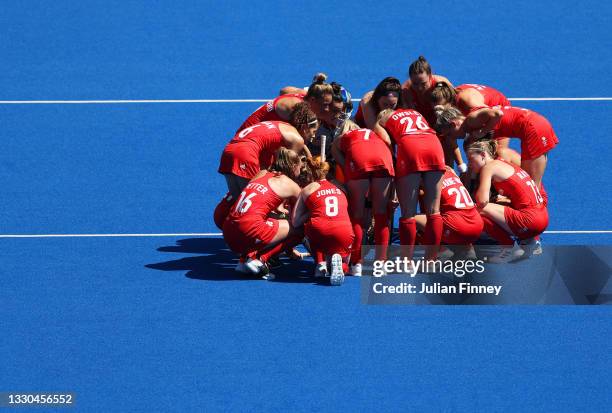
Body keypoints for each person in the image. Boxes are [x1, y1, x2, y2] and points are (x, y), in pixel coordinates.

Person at [434, 105, 558, 204]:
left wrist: (483, 131)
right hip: (533, 125)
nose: (452, 139)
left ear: (453, 124)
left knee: (532, 187)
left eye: (449, 134)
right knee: (528, 182)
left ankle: (534, 228)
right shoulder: (471, 129)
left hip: (534, 129)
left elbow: (498, 114)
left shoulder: (471, 120)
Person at [375, 108, 446, 263]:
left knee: (408, 212)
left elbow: (386, 141)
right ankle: (431, 260)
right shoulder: (415, 112)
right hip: (433, 144)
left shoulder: (382, 120)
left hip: (410, 146)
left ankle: (406, 261)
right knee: (434, 210)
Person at [222, 148, 304, 278]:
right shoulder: (291, 185)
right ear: (294, 166)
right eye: (300, 167)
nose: (301, 171)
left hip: (228, 232)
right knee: (300, 229)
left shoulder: (261, 173)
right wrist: (290, 249)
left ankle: (244, 261)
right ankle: (258, 259)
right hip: (247, 230)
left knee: (265, 220)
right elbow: (298, 218)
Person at [466, 140, 548, 262]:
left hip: (529, 220)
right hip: (542, 216)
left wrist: (472, 177)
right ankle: (529, 241)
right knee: (497, 204)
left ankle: (508, 246)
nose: (470, 164)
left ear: (483, 155)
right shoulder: (504, 163)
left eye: (471, 160)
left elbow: (482, 201)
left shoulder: (489, 167)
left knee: (474, 209)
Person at [331, 120, 394, 275]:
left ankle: (357, 263)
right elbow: (388, 143)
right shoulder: (374, 133)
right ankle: (381, 263)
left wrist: (348, 171)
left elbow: (336, 152)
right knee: (381, 214)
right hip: (383, 158)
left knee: (357, 215)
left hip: (359, 159)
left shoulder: (344, 137)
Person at [218, 103, 317, 199]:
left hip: (229, 150)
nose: (314, 136)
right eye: (314, 131)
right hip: (246, 153)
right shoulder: (297, 139)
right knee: (252, 199)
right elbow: (289, 172)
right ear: (304, 128)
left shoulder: (280, 124)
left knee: (238, 201)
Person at [292, 157, 354, 285]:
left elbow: (295, 221)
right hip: (344, 232)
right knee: (346, 262)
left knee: (307, 226)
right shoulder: (340, 187)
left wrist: (311, 211)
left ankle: (320, 264)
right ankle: (341, 266)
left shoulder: (308, 189)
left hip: (320, 232)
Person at [414, 166, 483, 257]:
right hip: (477, 225)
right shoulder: (449, 170)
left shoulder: (428, 176)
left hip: (458, 227)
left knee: (411, 219)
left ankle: (441, 249)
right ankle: (468, 248)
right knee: (453, 212)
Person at [401, 56, 453, 126]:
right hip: (421, 127)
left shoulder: (442, 83)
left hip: (443, 125)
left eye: (423, 83)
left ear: (430, 76)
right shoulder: (405, 91)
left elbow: (456, 107)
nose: (419, 88)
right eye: (415, 84)